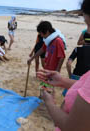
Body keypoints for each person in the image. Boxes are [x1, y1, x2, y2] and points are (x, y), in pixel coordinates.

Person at [37, 1, 90, 131]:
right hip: (52, 71)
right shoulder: (48, 41)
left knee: (49, 92)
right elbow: (84, 86)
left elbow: (72, 127)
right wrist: (62, 81)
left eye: (88, 24)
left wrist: (49, 103)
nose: (87, 33)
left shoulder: (58, 41)